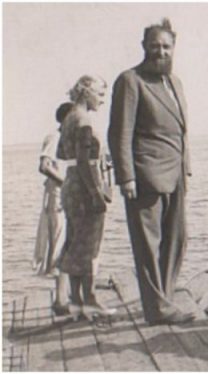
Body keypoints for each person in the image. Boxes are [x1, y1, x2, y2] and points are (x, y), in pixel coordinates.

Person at [108, 18, 193, 325]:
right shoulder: (130, 80)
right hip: (145, 176)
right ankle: (158, 309)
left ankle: (164, 299)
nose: (161, 52)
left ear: (174, 48)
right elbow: (119, 132)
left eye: (166, 46)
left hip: (176, 175)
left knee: (178, 239)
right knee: (148, 244)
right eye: (155, 45)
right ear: (144, 46)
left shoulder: (174, 82)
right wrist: (126, 176)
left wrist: (187, 168)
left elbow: (180, 132)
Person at [56, 75, 114, 319]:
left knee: (75, 243)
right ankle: (89, 300)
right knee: (90, 246)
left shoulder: (69, 118)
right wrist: (96, 193)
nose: (102, 100)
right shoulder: (84, 121)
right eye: (99, 94)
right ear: (86, 92)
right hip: (84, 187)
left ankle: (77, 301)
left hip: (70, 185)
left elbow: (64, 154)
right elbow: (84, 161)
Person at [33, 102, 72, 315]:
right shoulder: (54, 138)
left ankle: (66, 296)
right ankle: (60, 300)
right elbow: (44, 166)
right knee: (59, 245)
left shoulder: (69, 140)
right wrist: (65, 182)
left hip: (66, 198)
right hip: (57, 199)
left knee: (69, 244)